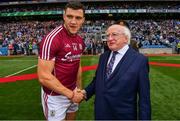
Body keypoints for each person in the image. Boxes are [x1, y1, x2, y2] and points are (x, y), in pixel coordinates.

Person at [83, 24, 151, 120]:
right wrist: (84, 93)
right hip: (100, 114)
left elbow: (144, 98)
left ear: (125, 38)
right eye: (107, 35)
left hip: (123, 116)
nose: (109, 39)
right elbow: (98, 81)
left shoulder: (140, 60)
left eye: (114, 34)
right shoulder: (103, 57)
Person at [37, 1, 85, 121]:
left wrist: (78, 89)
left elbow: (77, 66)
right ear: (63, 16)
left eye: (78, 18)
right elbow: (43, 76)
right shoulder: (52, 39)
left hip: (73, 90)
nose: (73, 21)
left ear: (83, 20)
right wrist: (71, 95)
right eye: (69, 16)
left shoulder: (80, 40)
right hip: (55, 96)